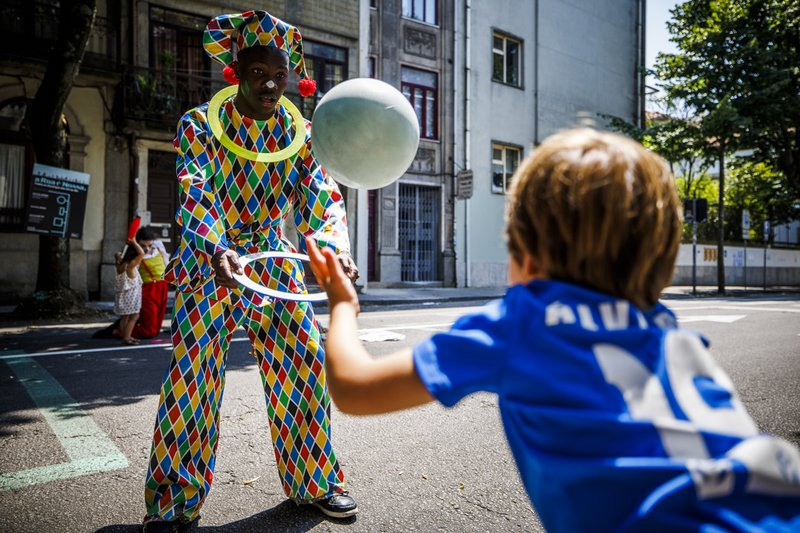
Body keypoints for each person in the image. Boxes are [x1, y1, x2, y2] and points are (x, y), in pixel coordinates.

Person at [307, 128, 800, 532]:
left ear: (526, 255)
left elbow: (354, 389)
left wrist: (344, 305)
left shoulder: (524, 324)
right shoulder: (668, 333)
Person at [143, 10, 359, 532]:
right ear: (236, 73)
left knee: (304, 363)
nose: (270, 84)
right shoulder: (199, 125)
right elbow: (197, 189)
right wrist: (217, 247)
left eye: (279, 75)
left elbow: (321, 199)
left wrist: (335, 248)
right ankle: (174, 503)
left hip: (270, 257)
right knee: (192, 381)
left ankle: (315, 482)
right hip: (210, 261)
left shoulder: (302, 133)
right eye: (258, 72)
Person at [131, 226, 170, 339]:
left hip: (163, 286)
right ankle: (122, 331)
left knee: (156, 328)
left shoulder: (158, 245)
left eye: (149, 245)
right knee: (149, 331)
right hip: (148, 290)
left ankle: (127, 327)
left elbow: (166, 262)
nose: (147, 249)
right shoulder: (137, 255)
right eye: (143, 245)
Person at [113, 239, 144, 346]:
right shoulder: (131, 266)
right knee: (134, 316)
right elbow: (141, 253)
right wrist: (135, 242)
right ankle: (126, 338)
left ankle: (125, 336)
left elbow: (117, 255)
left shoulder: (120, 264)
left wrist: (118, 256)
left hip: (122, 296)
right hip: (131, 296)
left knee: (124, 317)